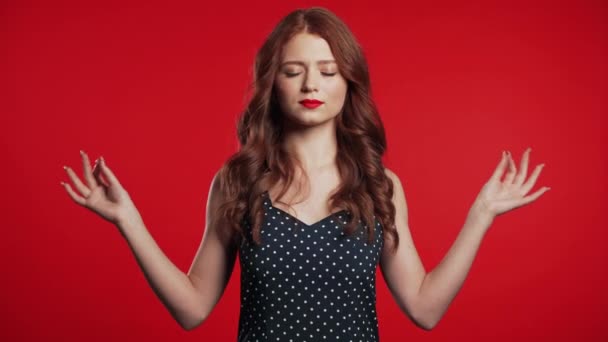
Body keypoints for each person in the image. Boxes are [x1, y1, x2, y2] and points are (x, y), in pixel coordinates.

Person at [60, 7, 550, 341]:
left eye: (328, 70)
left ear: (348, 82)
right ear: (272, 84)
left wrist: (481, 214)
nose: (311, 83)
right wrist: (130, 222)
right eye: (293, 71)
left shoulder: (381, 186)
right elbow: (192, 310)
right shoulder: (237, 182)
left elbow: (424, 308)